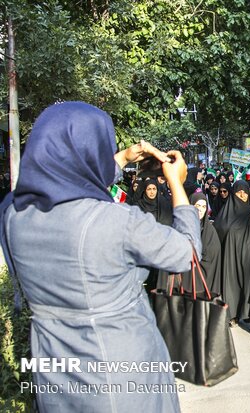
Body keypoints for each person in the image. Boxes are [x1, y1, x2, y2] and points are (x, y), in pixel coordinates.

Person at [0, 102, 201, 412]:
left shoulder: (13, 214)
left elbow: (71, 182)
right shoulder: (117, 221)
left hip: (55, 378)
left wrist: (122, 158)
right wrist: (176, 182)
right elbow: (186, 255)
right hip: (123, 380)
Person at [214, 181, 250, 336]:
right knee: (232, 287)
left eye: (245, 192)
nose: (242, 195)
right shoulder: (226, 213)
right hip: (231, 258)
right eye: (239, 192)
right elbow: (219, 231)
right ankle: (233, 315)